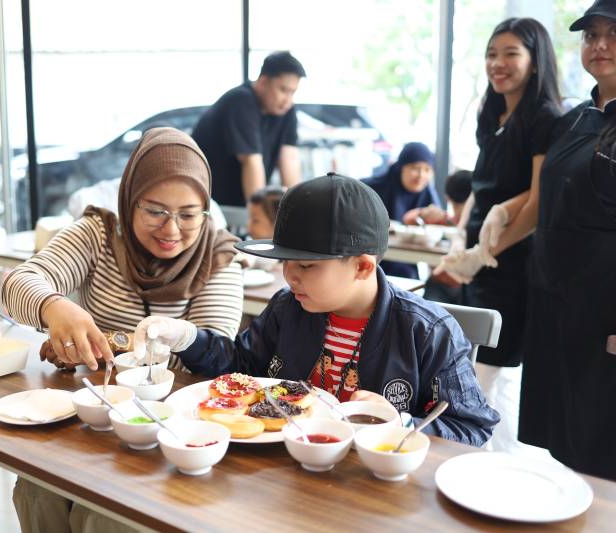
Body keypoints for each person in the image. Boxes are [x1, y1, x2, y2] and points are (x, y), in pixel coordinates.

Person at [134, 174, 500, 445]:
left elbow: (471, 428)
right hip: (288, 471)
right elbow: (241, 367)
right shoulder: (288, 308)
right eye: (285, 261)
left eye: (307, 266)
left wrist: (400, 423)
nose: (289, 275)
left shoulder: (428, 332)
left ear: (362, 266)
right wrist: (185, 336)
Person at [1, 127, 244, 531]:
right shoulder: (98, 234)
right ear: (130, 199)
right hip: (92, 418)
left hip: (169, 431)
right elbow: (16, 284)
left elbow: (214, 357)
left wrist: (104, 342)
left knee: (104, 519)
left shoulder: (218, 257)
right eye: (155, 212)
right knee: (36, 490)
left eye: (188, 215)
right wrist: (54, 307)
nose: (171, 230)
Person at [436, 18, 562, 454]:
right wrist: (461, 241)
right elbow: (480, 187)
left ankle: (502, 466)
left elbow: (537, 203)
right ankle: (481, 460)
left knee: (495, 375)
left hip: (514, 265)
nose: (498, 63)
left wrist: (484, 253)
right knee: (474, 370)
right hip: (482, 260)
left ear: (535, 60)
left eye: (511, 54)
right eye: (492, 54)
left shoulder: (545, 117)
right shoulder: (492, 114)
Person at [517, 1, 616, 480]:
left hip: (606, 311)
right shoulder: (574, 119)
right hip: (555, 301)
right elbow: (543, 197)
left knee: (601, 446)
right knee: (563, 441)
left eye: (613, 34)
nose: (600, 45)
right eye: (591, 35)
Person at [192, 51, 305, 207]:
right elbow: (251, 161)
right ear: (263, 82)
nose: (288, 99)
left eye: (293, 92)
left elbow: (289, 158)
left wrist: (298, 210)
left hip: (239, 204)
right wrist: (261, 215)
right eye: (283, 90)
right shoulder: (241, 101)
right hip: (209, 203)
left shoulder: (286, 109)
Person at [362, 142, 444, 279]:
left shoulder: (427, 192)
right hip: (373, 258)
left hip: (407, 258)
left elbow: (439, 225)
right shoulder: (371, 189)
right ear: (401, 167)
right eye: (415, 168)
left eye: (427, 170)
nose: (421, 175)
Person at [423, 170, 473, 304]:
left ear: (448, 199)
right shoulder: (445, 220)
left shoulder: (450, 222)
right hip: (451, 287)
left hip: (454, 286)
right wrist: (423, 213)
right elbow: (409, 218)